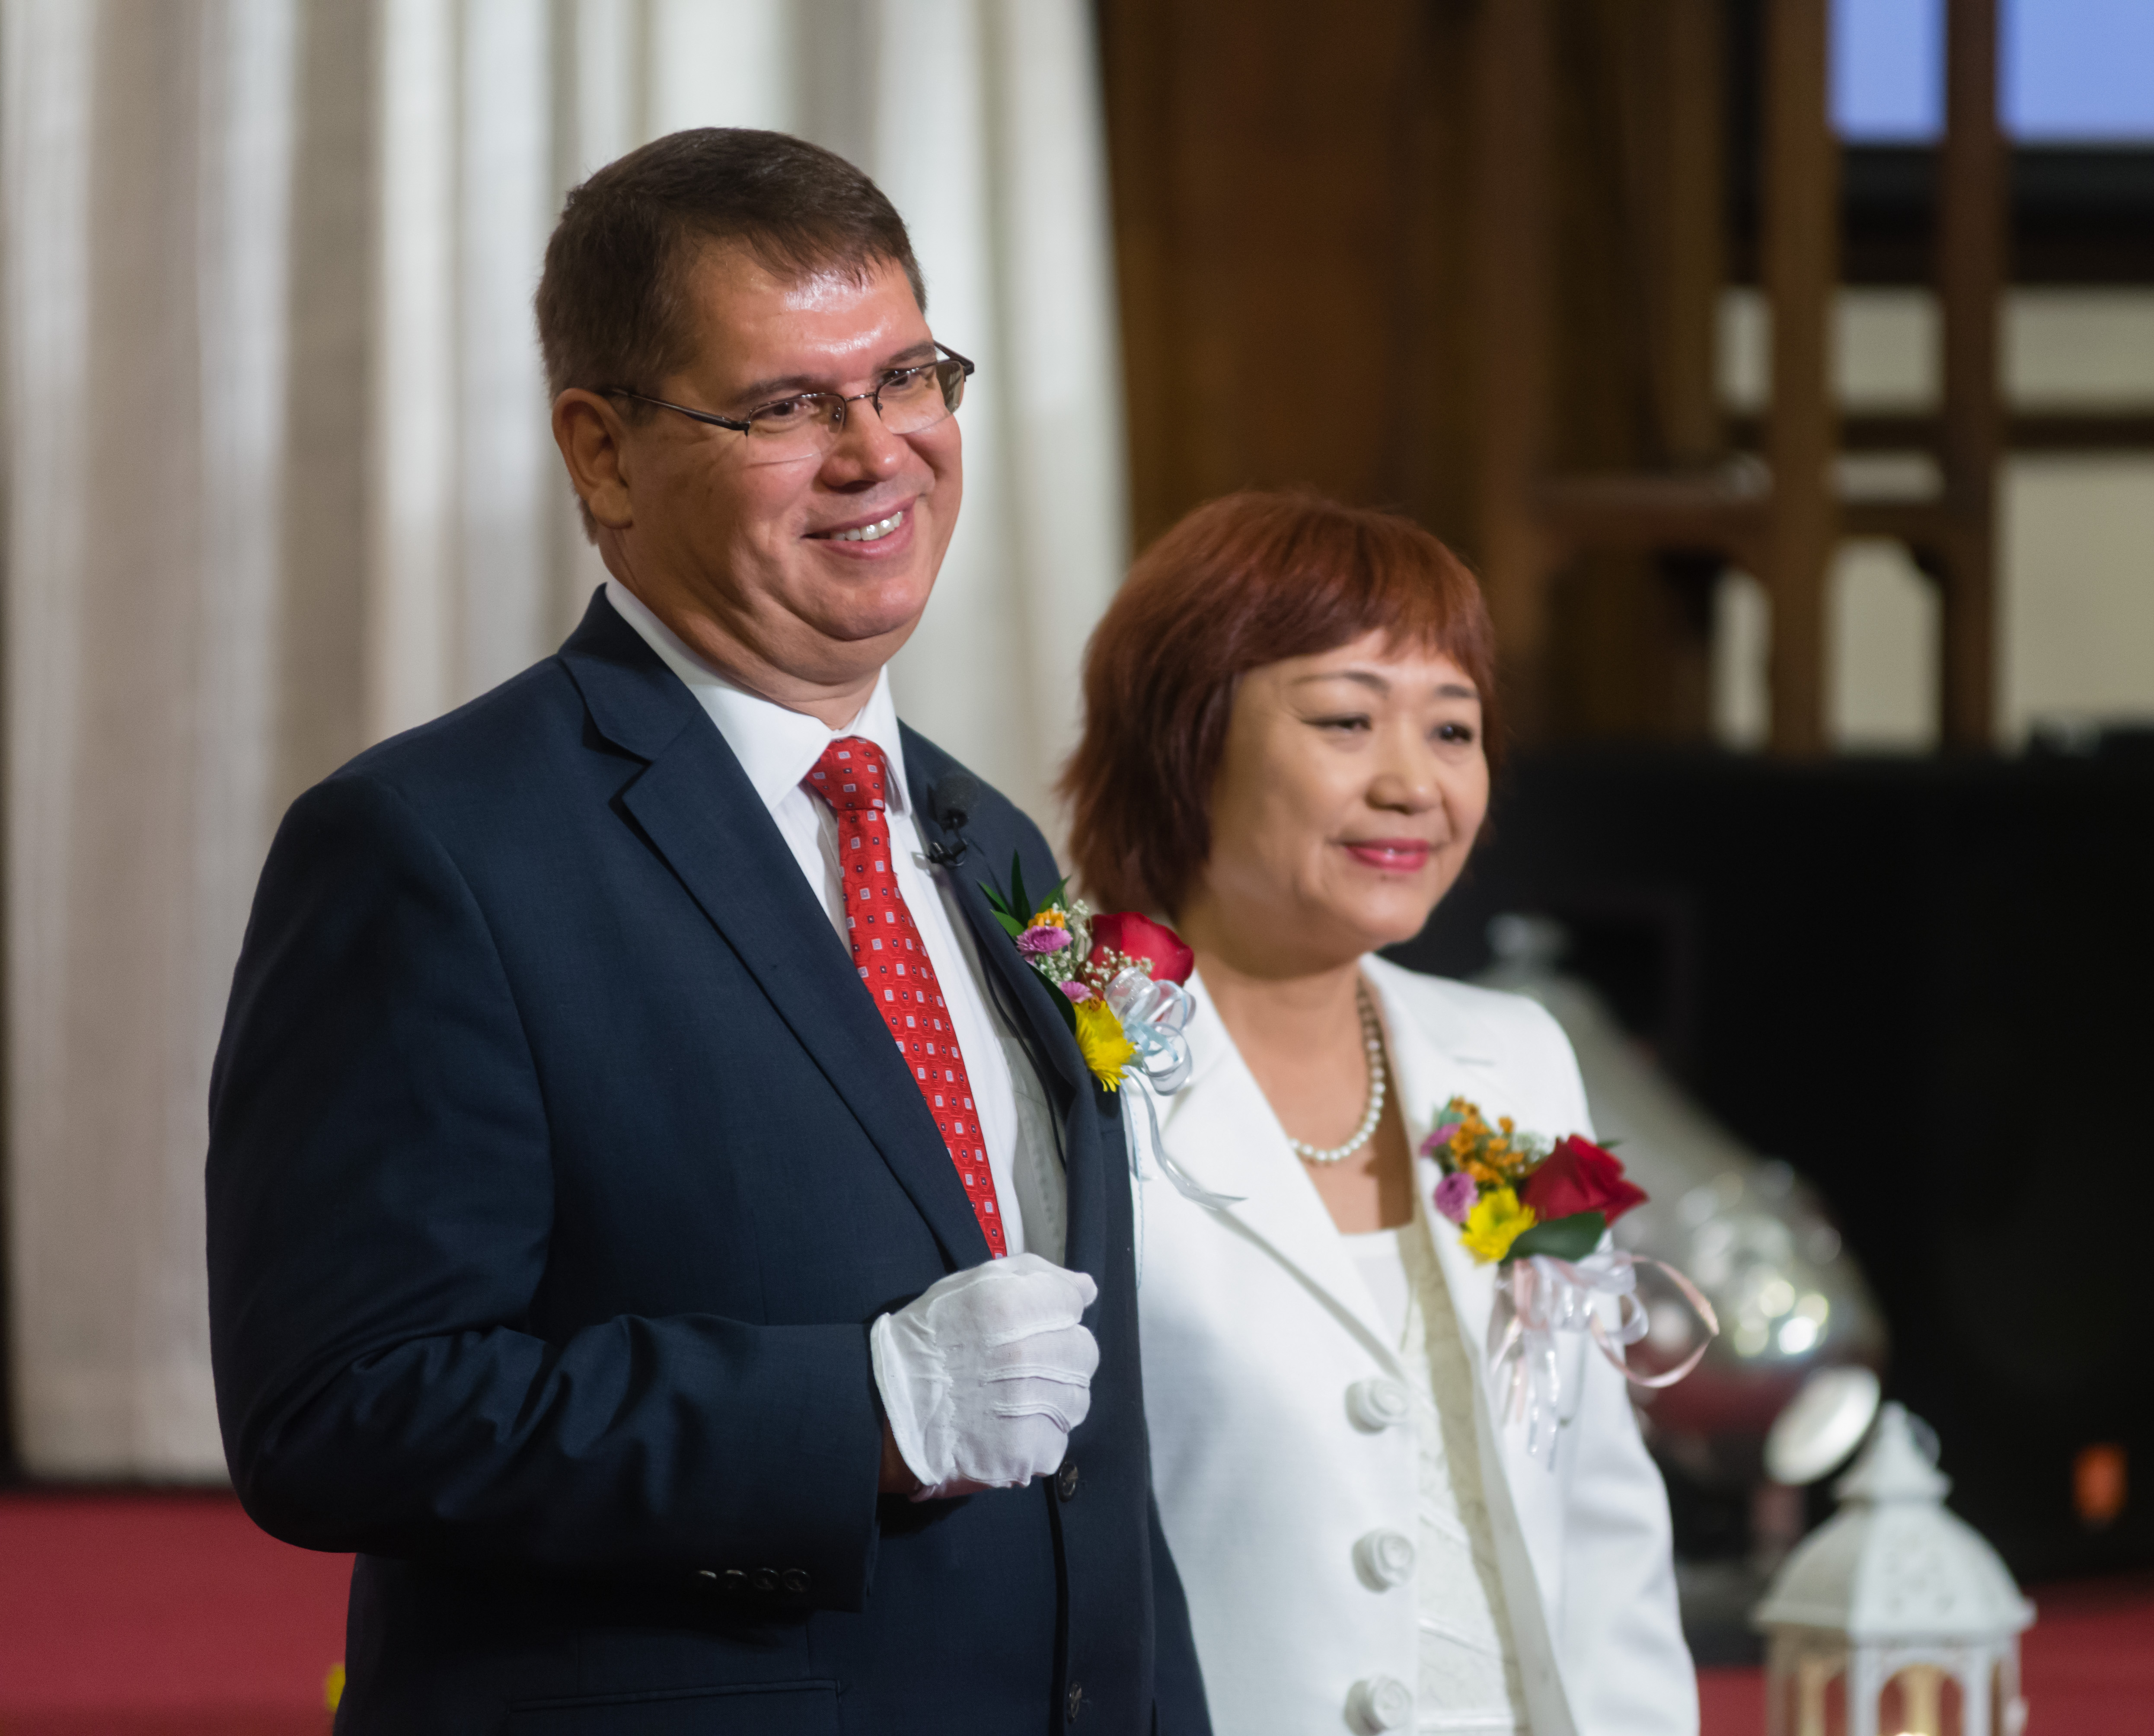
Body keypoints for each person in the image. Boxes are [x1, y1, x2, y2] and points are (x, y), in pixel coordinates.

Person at [206, 128, 1208, 1735]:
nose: (879, 453)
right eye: (788, 407)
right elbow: (337, 1411)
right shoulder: (430, 847)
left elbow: (1091, 1458)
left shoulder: (987, 840)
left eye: (907, 378)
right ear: (602, 454)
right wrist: (852, 1413)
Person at [1062, 492, 1698, 1736]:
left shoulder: (1513, 1062)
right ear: (1185, 739)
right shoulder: (1066, 1061)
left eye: (1453, 729)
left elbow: (1602, 1501)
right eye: (1346, 720)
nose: (1415, 784)